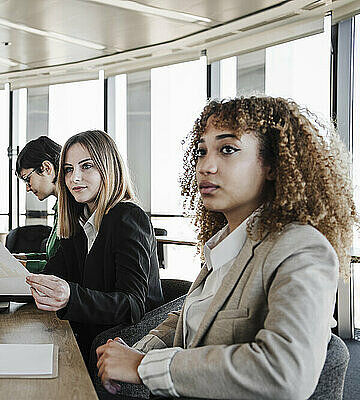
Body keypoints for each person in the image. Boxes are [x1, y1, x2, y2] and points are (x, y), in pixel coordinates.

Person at [95, 96, 356, 399]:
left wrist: (144, 366)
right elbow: (195, 316)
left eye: (228, 149)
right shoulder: (226, 245)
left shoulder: (301, 248)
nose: (205, 166)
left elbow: (283, 373)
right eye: (201, 151)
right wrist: (136, 351)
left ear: (273, 165)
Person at [0, 130, 164, 362]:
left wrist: (70, 297)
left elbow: (132, 305)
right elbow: (48, 279)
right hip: (84, 334)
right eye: (68, 169)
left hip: (118, 344)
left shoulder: (128, 217)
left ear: (108, 168)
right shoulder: (79, 221)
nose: (74, 178)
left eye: (86, 166)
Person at [14, 136, 62, 273]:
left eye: (27, 179)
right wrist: (19, 259)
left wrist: (20, 266)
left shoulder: (74, 209)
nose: (27, 188)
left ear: (46, 168)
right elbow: (51, 258)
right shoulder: (60, 208)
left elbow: (64, 267)